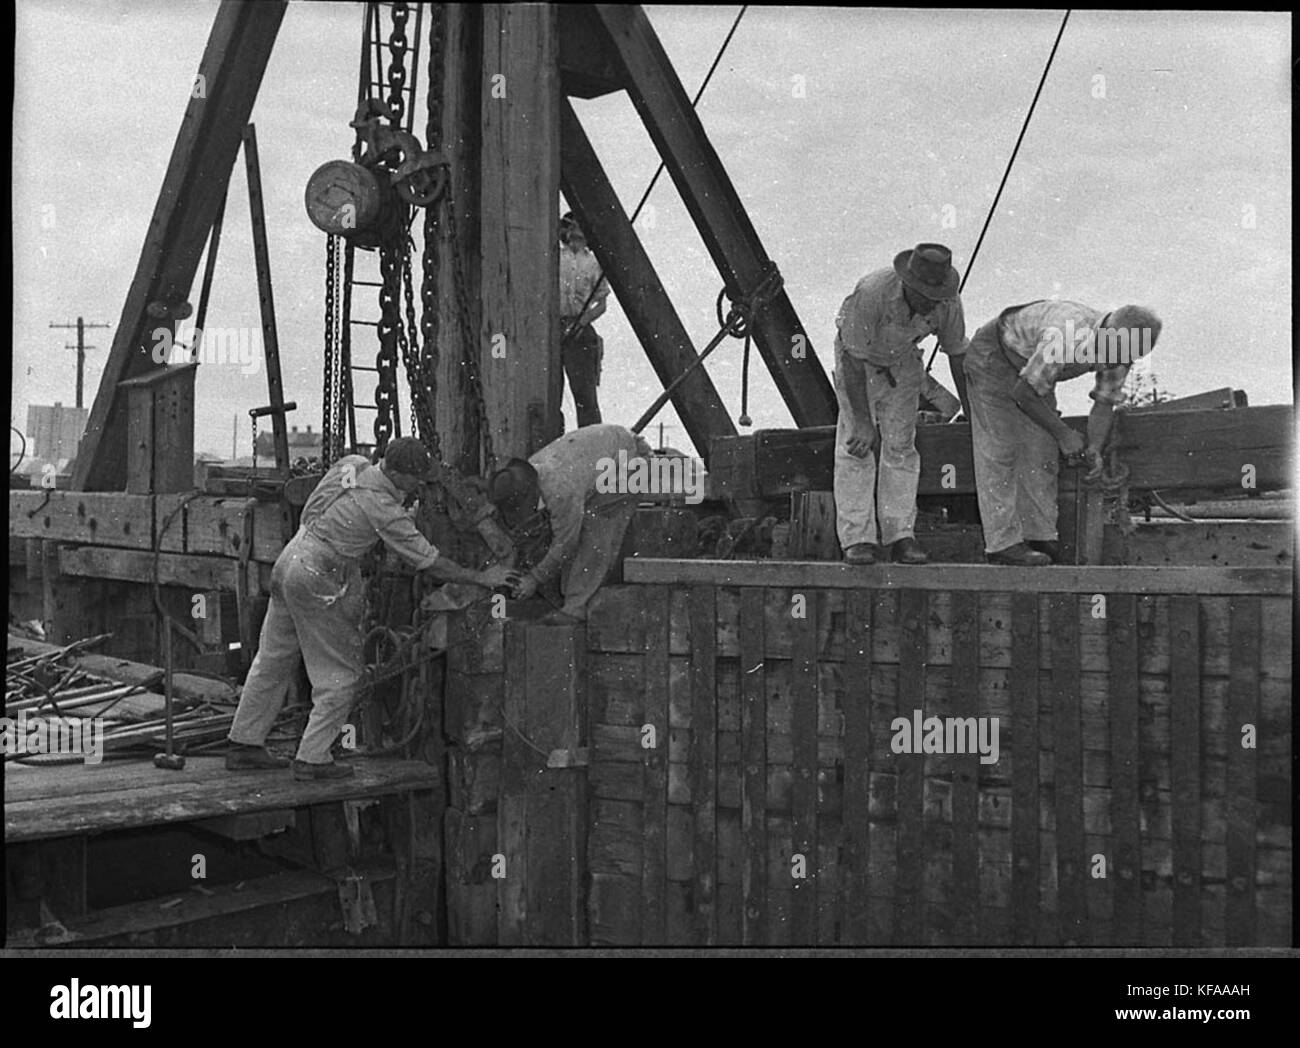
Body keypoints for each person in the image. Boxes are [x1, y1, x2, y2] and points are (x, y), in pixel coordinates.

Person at [226, 438, 518, 778]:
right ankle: (313, 758)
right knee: (341, 675)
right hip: (319, 572)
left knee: (273, 658)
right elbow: (431, 563)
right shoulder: (383, 508)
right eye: (414, 479)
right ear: (393, 472)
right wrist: (483, 578)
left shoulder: (353, 464)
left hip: (293, 555)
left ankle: (244, 744)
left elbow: (310, 509)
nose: (420, 485)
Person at [955, 300, 1162, 565]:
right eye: (1119, 352)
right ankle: (1002, 545)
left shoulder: (1124, 349)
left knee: (1042, 451)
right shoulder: (1066, 333)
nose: (1121, 362)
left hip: (1033, 370)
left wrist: (1094, 449)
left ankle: (1039, 537)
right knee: (1000, 451)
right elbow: (1023, 394)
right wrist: (1065, 434)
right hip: (994, 357)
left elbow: (1104, 403)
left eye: (1131, 356)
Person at [833, 243, 968, 565]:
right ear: (908, 284)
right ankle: (858, 540)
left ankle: (900, 536)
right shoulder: (872, 292)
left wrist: (971, 411)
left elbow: (957, 354)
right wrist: (864, 422)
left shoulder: (948, 303)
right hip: (859, 363)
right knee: (855, 448)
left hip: (904, 363)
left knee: (901, 449)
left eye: (936, 297)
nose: (931, 304)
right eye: (924, 296)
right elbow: (852, 360)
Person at [488, 423, 651, 624]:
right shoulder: (528, 475)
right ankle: (568, 594)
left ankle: (575, 609)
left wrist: (534, 579)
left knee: (595, 523)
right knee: (569, 522)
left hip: (631, 461)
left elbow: (565, 544)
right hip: (607, 452)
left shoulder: (560, 491)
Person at [559, 212, 611, 427]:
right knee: (549, 393)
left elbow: (602, 303)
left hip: (579, 330)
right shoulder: (555, 257)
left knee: (585, 396)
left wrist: (582, 322)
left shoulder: (593, 263)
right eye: (572, 225)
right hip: (553, 327)